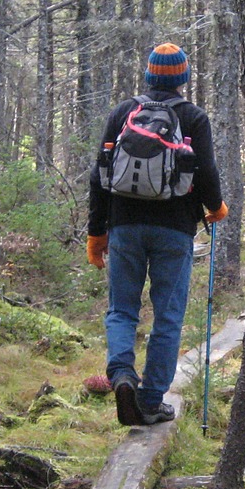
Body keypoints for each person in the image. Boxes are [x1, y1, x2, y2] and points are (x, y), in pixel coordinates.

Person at [86, 42, 228, 426]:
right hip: (175, 229)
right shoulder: (194, 117)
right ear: (183, 77)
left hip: (124, 226)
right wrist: (215, 207)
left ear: (149, 74)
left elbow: (98, 176)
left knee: (122, 310)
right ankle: (150, 402)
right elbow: (208, 172)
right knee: (167, 315)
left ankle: (122, 376)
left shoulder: (123, 113)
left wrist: (95, 234)